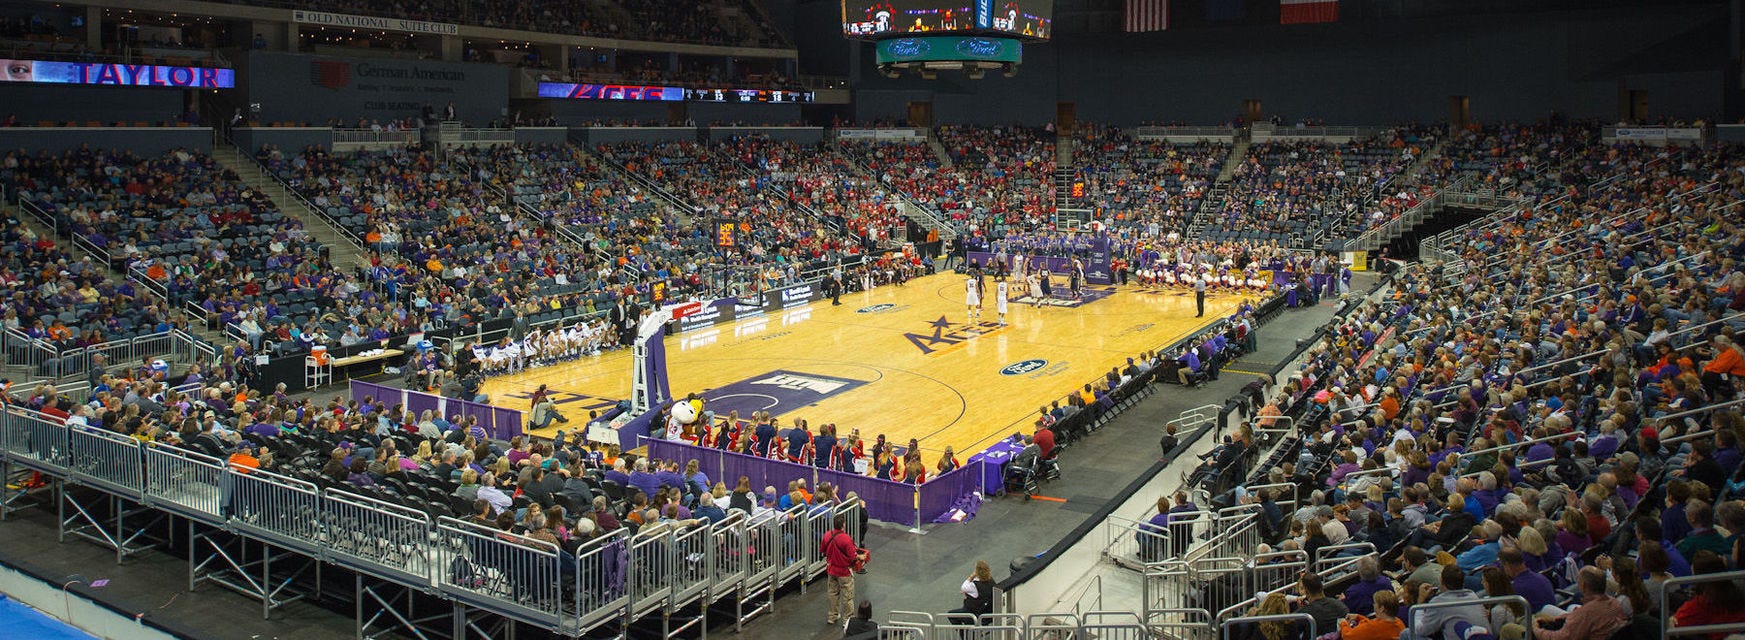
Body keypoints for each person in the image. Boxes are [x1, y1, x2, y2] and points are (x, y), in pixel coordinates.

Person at [1533, 567, 1628, 640]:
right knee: (1547, 611)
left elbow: (1560, 638)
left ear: (1583, 585)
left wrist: (1536, 630)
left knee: (1538, 617)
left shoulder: (1586, 613)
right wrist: (1556, 618)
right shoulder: (1615, 603)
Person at [1410, 565, 1488, 640]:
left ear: (1441, 581)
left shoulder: (1439, 602)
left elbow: (1420, 630)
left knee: (1407, 633)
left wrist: (1420, 602)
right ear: (1463, 582)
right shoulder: (1472, 595)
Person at [822, 514, 861, 625]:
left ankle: (832, 616)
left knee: (832, 594)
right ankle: (847, 620)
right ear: (843, 525)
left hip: (831, 570)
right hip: (844, 572)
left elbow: (823, 549)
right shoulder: (846, 539)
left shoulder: (827, 535)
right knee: (848, 596)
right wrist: (861, 557)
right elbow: (853, 556)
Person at [1338, 590, 1405, 640]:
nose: (1373, 605)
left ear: (1382, 608)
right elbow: (1371, 627)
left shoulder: (1374, 628)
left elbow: (1347, 636)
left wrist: (1343, 623)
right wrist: (1358, 617)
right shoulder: (1399, 622)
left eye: (1375, 603)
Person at [947, 560, 995, 627]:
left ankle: (964, 636)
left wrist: (971, 576)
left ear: (977, 571)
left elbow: (963, 587)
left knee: (951, 615)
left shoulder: (974, 585)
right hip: (988, 613)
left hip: (974, 615)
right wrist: (968, 593)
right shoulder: (991, 581)